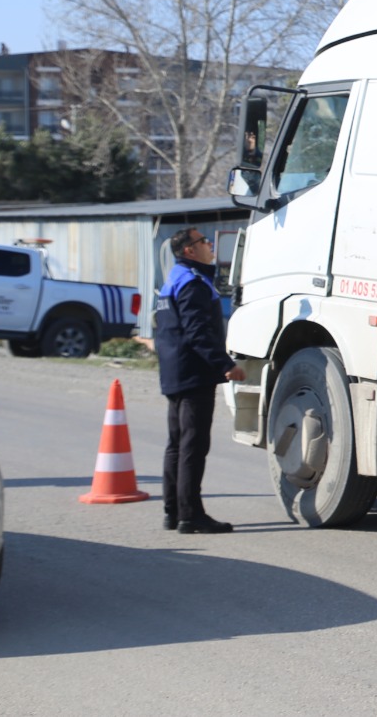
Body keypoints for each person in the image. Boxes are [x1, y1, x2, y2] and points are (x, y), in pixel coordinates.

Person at [155, 227, 245, 535]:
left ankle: (173, 511)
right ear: (189, 251)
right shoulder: (192, 283)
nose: (209, 244)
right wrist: (225, 365)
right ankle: (191, 516)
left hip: (175, 371)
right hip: (193, 374)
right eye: (203, 241)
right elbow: (197, 332)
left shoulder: (174, 279)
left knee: (177, 446)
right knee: (192, 446)